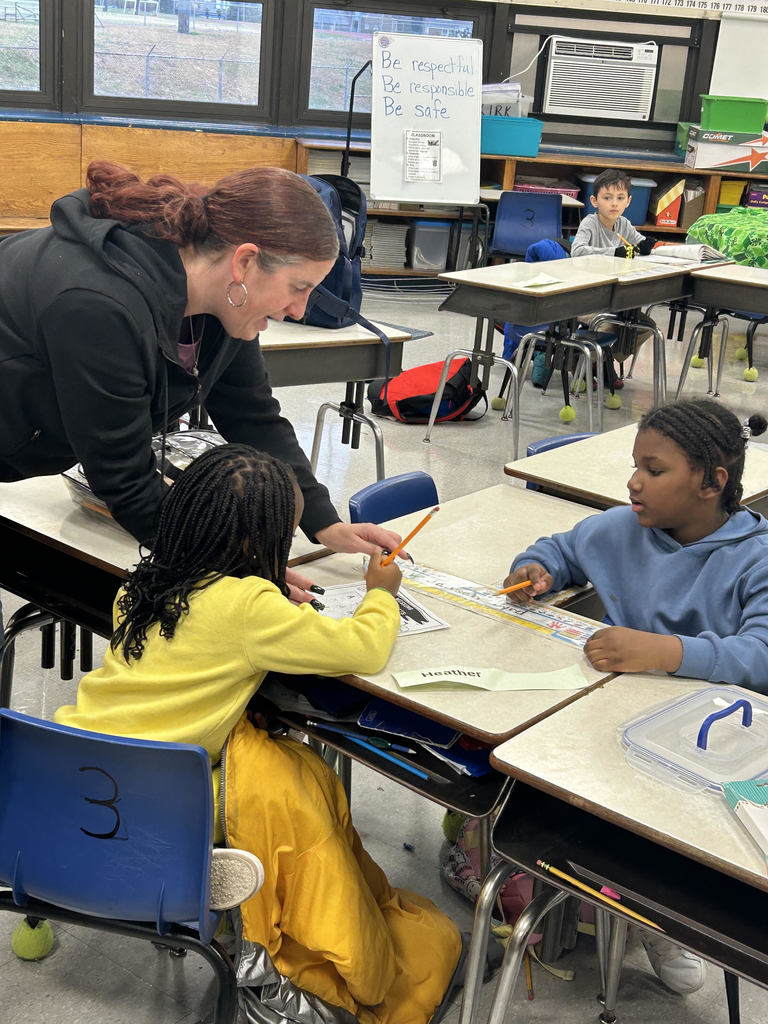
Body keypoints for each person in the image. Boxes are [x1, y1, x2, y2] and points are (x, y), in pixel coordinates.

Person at [54, 443, 462, 1024]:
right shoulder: (250, 605)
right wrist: (381, 593)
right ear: (258, 546)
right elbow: (364, 649)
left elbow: (193, 651)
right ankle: (232, 898)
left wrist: (264, 592)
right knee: (291, 777)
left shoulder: (138, 586)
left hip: (74, 769)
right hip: (164, 802)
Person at [0, 161, 401, 604]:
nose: (301, 310)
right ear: (245, 261)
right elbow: (125, 480)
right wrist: (241, 572)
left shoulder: (225, 301)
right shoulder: (99, 305)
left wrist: (325, 523)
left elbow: (253, 416)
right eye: (298, 286)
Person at [503, 397, 768, 994]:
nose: (633, 482)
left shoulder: (755, 559)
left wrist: (666, 652)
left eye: (653, 469)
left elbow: (764, 657)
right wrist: (538, 569)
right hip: (608, 726)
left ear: (712, 482)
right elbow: (564, 548)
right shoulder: (624, 527)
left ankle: (655, 914)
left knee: (661, 837)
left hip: (703, 752)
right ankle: (577, 885)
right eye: (634, 465)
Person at [571, 168, 656, 258]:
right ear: (594, 201)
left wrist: (645, 246)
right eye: (607, 198)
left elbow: (640, 243)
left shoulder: (624, 224)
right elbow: (576, 251)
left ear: (628, 201)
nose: (614, 204)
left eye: (620, 198)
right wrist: (614, 252)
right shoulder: (589, 223)